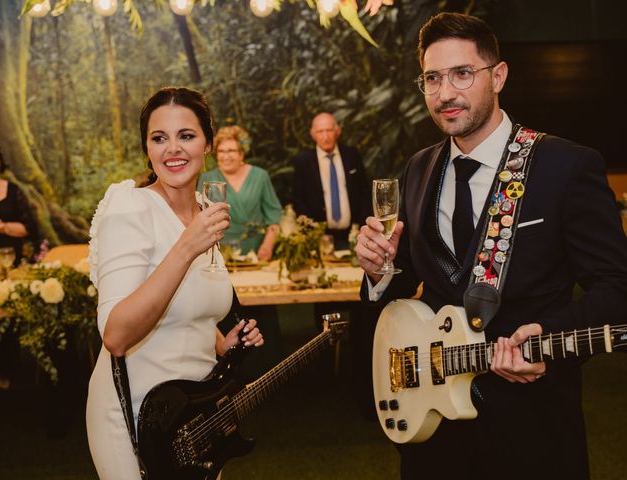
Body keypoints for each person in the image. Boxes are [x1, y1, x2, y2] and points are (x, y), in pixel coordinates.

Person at [355, 12, 627, 480]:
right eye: (432, 78)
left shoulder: (564, 166)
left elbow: (615, 287)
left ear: (497, 76)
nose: (445, 94)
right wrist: (378, 271)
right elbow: (407, 277)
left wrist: (548, 336)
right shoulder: (417, 170)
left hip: (531, 426)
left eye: (462, 73)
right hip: (434, 427)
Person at [85, 87, 264, 480]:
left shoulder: (205, 210)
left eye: (186, 135)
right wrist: (186, 246)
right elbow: (116, 335)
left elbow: (187, 311)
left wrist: (222, 342)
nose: (173, 149)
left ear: (208, 144)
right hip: (135, 415)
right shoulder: (130, 209)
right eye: (159, 138)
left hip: (193, 416)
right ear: (146, 148)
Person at [0, 141, 37, 391]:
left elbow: (28, 228)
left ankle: (8, 369)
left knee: (7, 322)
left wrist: (4, 227)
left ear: (0, 163)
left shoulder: (13, 190)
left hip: (10, 268)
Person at [198, 125, 282, 261]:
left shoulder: (260, 176)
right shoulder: (207, 179)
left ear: (242, 153)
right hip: (219, 252)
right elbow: (199, 221)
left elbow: (274, 217)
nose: (226, 156)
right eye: (221, 151)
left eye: (231, 150)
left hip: (255, 252)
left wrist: (267, 246)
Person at [291, 112, 371, 249]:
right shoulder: (303, 162)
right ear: (313, 134)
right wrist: (313, 231)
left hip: (354, 235)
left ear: (337, 131)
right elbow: (298, 200)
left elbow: (364, 193)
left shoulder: (352, 155)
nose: (325, 136)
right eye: (320, 131)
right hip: (319, 239)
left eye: (329, 130)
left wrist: (362, 227)